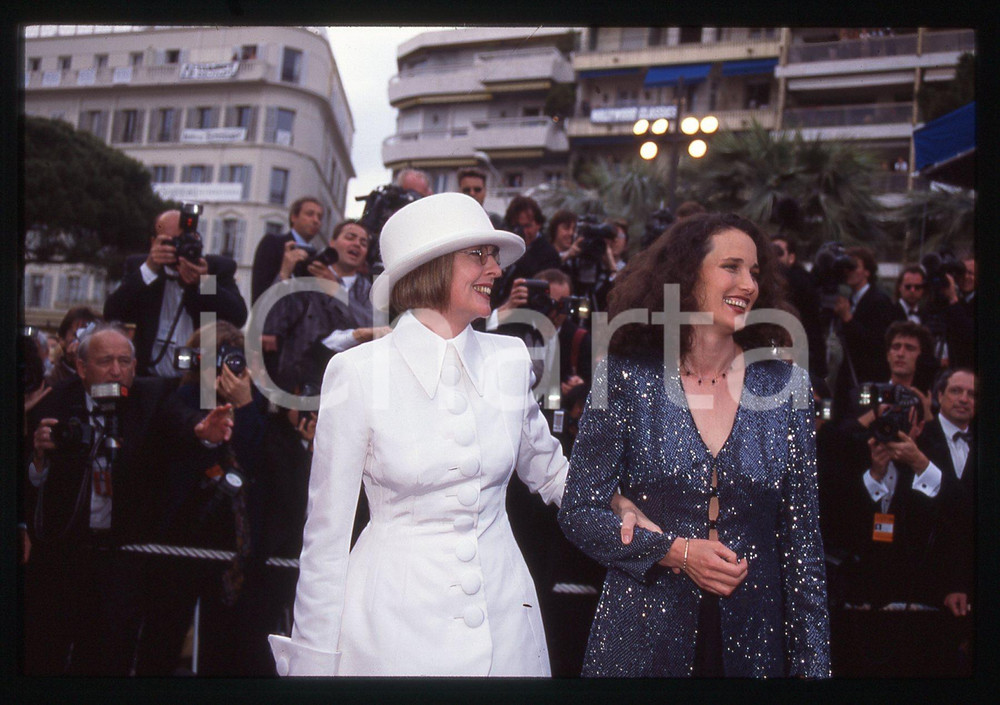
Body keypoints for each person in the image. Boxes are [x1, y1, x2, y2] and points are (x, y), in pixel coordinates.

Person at [268, 193, 649, 676]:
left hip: (506, 619)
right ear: (428, 267)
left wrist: (615, 502)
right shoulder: (356, 372)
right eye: (479, 255)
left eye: (494, 256)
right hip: (389, 632)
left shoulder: (509, 360)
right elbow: (325, 537)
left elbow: (553, 474)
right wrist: (312, 668)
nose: (496, 270)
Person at [558, 212, 831, 677]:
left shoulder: (786, 386)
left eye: (755, 272)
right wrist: (675, 551)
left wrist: (814, 671)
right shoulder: (624, 376)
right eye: (732, 267)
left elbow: (802, 546)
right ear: (685, 277)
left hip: (753, 649)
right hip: (640, 640)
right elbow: (579, 511)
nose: (748, 284)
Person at [23, 323, 185, 674]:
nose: (116, 371)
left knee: (107, 659)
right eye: (106, 361)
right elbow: (29, 487)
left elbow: (184, 425)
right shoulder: (51, 403)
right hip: (61, 557)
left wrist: (203, 433)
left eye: (125, 361)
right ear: (82, 368)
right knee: (42, 654)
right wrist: (39, 458)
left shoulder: (151, 398)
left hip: (120, 560)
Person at [103, 209, 247, 377]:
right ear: (154, 243)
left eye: (185, 240)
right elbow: (112, 313)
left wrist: (204, 283)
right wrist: (149, 271)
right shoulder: (141, 267)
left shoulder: (216, 268)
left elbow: (237, 317)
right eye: (171, 242)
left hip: (196, 380)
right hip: (148, 376)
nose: (178, 248)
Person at [262, 219, 388, 391]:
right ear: (332, 243)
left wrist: (336, 291)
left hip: (348, 385)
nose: (357, 244)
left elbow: (374, 327)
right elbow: (273, 323)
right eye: (350, 237)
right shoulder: (307, 280)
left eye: (363, 242)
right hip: (298, 385)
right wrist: (284, 273)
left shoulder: (370, 290)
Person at [250, 196, 325, 304]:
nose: (316, 220)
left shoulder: (316, 256)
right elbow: (260, 293)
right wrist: (284, 273)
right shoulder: (273, 243)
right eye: (310, 214)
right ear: (294, 217)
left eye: (319, 217)